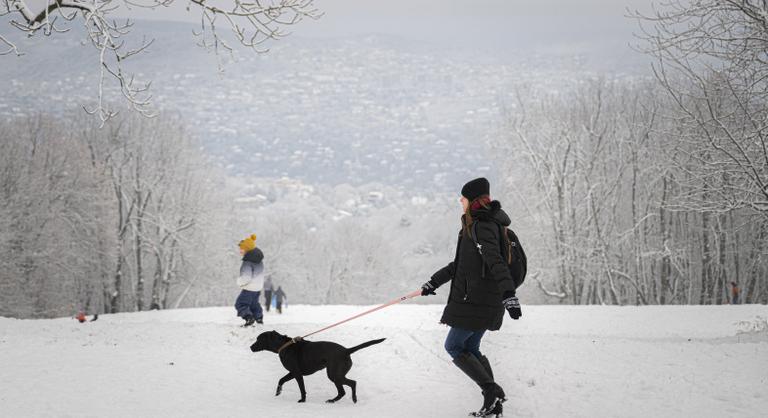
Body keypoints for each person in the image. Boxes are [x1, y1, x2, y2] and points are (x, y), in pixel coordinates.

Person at [420, 177, 520, 418]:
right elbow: (461, 265)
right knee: (470, 346)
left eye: (463, 198)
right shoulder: (479, 225)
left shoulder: (482, 226)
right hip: (483, 300)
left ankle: (491, 391)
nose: (460, 201)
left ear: (472, 200)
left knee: (453, 345)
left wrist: (509, 294)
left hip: (477, 300)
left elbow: (495, 261)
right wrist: (434, 281)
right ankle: (493, 401)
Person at [235, 234, 265, 326]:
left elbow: (246, 277)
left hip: (249, 287)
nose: (240, 250)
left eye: (242, 248)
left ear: (247, 249)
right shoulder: (259, 261)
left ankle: (249, 318)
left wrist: (240, 282)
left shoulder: (247, 262)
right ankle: (258, 317)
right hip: (258, 287)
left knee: (240, 304)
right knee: (254, 304)